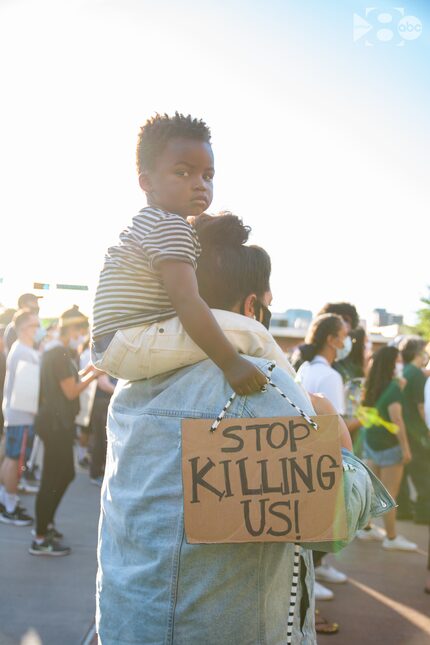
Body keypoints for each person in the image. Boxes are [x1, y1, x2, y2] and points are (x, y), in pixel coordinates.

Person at [96, 216, 385, 644]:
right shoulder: (262, 383)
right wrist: (334, 428)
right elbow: (337, 515)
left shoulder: (132, 383)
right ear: (252, 306)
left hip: (130, 620)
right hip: (226, 626)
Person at [91, 113, 267, 396]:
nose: (200, 184)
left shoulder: (149, 221)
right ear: (147, 182)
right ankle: (300, 402)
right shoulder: (171, 225)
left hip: (113, 343)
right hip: (130, 339)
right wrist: (231, 363)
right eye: (183, 173)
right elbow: (187, 300)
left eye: (207, 175)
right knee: (253, 332)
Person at [29, 306, 99, 556]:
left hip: (57, 424)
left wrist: (89, 372)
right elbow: (70, 390)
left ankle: (45, 523)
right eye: (82, 330)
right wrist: (95, 376)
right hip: (55, 426)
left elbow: (68, 382)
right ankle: (40, 535)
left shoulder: (57, 353)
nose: (83, 335)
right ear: (72, 329)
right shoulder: (58, 354)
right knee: (52, 478)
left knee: (64, 474)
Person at [359, 346, 416, 550]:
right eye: (399, 359)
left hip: (372, 443)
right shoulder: (393, 389)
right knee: (390, 494)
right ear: (392, 363)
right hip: (390, 446)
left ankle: (366, 528)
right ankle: (391, 538)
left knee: (372, 491)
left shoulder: (371, 385)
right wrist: (406, 448)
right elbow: (397, 419)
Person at [0, 310, 40, 525]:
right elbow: (28, 391)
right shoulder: (23, 351)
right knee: (15, 460)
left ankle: (7, 500)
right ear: (25, 328)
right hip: (21, 414)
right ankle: (10, 506)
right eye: (35, 325)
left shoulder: (21, 349)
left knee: (11, 458)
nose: (38, 329)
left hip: (17, 413)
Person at [396, 336, 430, 525]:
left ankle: (404, 510)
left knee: (406, 472)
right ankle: (424, 513)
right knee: (423, 473)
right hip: (417, 430)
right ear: (418, 353)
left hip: (405, 428)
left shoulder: (406, 372)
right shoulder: (416, 374)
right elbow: (421, 406)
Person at [89, 374, 116, 487]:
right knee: (102, 441)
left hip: (104, 404)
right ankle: (97, 473)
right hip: (102, 405)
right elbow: (103, 384)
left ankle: (98, 473)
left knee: (102, 441)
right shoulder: (104, 360)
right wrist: (120, 392)